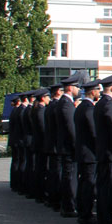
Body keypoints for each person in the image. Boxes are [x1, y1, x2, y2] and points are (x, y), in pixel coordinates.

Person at [94, 74, 112, 224]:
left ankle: (103, 218)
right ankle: (108, 219)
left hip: (102, 152)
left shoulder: (100, 104)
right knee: (109, 188)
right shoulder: (109, 105)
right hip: (110, 152)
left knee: (103, 186)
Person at [56, 72, 82, 218]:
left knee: (68, 175)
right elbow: (71, 129)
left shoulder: (64, 103)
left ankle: (67, 205)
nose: (79, 90)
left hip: (65, 146)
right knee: (70, 177)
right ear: (71, 88)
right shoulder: (66, 105)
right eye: (77, 87)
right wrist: (75, 146)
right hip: (68, 147)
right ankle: (68, 206)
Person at [75, 79, 100, 224]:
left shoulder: (81, 107)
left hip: (83, 152)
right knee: (88, 184)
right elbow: (94, 132)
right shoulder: (89, 108)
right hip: (89, 153)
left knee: (83, 181)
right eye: (97, 90)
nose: (99, 92)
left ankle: (82, 211)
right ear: (93, 91)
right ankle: (86, 213)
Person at [44, 83, 64, 211]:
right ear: (58, 92)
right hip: (56, 145)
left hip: (51, 144)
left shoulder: (50, 106)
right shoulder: (56, 106)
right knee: (56, 173)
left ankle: (52, 198)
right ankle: (55, 200)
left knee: (53, 173)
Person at [30, 88, 49, 203]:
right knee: (41, 169)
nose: (49, 99)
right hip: (41, 143)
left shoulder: (36, 109)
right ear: (43, 98)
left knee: (39, 168)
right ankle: (40, 193)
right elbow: (43, 129)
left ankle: (38, 192)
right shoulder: (41, 111)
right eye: (47, 97)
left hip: (37, 143)